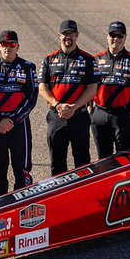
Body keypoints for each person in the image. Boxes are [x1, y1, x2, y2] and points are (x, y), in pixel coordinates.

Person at [0, 30, 37, 198]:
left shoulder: (28, 67)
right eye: (4, 45)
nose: (8, 48)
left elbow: (31, 97)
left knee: (22, 168)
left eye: (12, 45)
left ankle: (21, 206)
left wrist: (13, 120)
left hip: (19, 125)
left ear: (17, 46)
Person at [39, 19, 99, 175]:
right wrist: (58, 104)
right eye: (65, 34)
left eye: (72, 34)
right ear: (59, 35)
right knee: (57, 162)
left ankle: (83, 196)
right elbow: (42, 87)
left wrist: (74, 107)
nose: (68, 37)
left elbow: (92, 89)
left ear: (77, 35)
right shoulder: (49, 59)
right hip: (56, 116)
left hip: (79, 116)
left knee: (82, 162)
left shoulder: (88, 60)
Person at [91, 21, 130, 157]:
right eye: (113, 35)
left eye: (120, 36)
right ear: (107, 36)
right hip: (100, 114)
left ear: (125, 37)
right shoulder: (96, 60)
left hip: (122, 116)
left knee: (124, 158)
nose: (116, 39)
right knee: (103, 158)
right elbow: (89, 87)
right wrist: (90, 109)